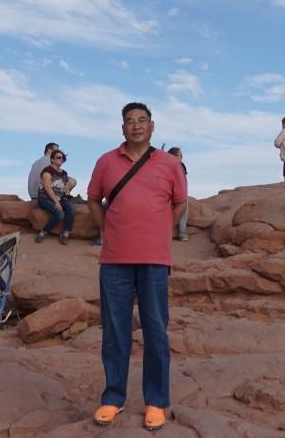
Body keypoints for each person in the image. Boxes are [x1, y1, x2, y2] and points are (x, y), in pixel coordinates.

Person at [87, 102, 187, 432]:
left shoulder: (170, 164)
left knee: (156, 330)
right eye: (130, 121)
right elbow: (92, 199)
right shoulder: (105, 162)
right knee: (115, 331)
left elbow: (180, 203)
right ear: (122, 129)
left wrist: (160, 234)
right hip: (115, 258)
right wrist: (107, 230)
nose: (136, 126)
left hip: (155, 260)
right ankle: (113, 398)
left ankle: (155, 402)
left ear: (152, 126)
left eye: (142, 120)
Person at [36, 150, 78, 244]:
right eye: (58, 157)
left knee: (71, 208)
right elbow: (47, 188)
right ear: (52, 159)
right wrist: (56, 201)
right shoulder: (47, 171)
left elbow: (65, 185)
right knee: (60, 214)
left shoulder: (64, 173)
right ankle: (42, 233)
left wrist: (67, 194)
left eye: (62, 158)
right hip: (45, 198)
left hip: (60, 197)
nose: (61, 159)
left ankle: (65, 234)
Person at [167, 147, 189, 242]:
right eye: (180, 155)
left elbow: (184, 180)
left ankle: (182, 232)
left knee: (184, 207)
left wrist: (184, 192)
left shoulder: (181, 166)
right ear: (174, 156)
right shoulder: (165, 166)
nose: (182, 157)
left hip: (178, 193)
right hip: (167, 193)